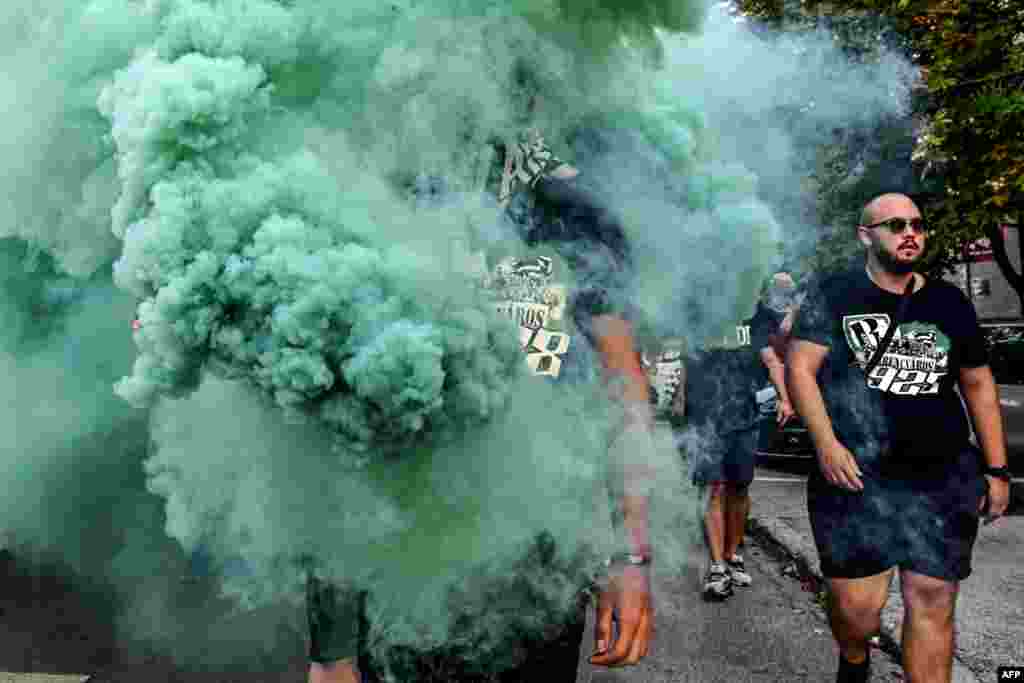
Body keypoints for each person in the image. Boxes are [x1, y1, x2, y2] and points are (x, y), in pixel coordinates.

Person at [307, 126, 656, 682]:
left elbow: (622, 393)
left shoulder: (575, 214)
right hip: (398, 564)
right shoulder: (381, 195)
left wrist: (630, 557)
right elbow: (338, 424)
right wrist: (332, 647)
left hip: (539, 571)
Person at [786, 193, 1011, 683]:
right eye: (895, 225)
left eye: (917, 225)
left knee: (932, 599)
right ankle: (854, 659)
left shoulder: (948, 301)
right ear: (866, 236)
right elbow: (800, 369)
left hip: (942, 473)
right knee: (856, 613)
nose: (911, 233)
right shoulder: (835, 294)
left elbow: (977, 382)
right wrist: (826, 444)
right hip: (857, 476)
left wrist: (996, 468)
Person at [682, 340, 762, 601]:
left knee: (740, 487)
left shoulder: (756, 308)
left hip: (744, 417)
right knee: (713, 488)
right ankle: (717, 566)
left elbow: (776, 348)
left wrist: (784, 393)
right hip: (705, 419)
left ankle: (731, 554)